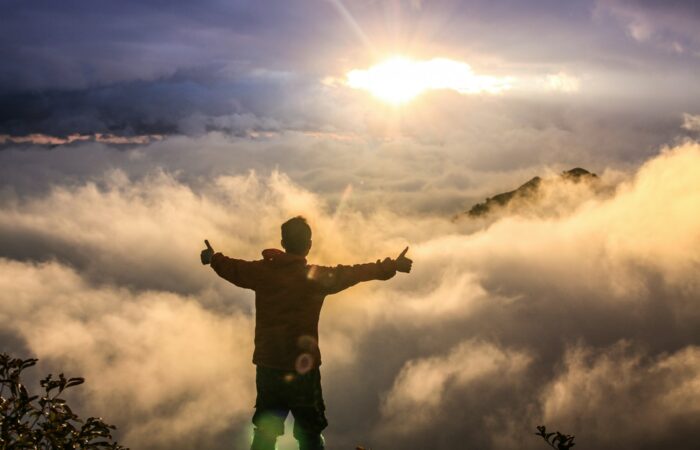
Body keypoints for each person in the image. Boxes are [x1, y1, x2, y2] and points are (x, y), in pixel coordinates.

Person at [200, 216, 412, 450]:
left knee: (266, 433)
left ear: (283, 242)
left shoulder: (262, 272)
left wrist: (213, 258)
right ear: (308, 244)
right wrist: (392, 265)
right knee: (309, 434)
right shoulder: (315, 278)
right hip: (304, 370)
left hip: (269, 366)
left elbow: (233, 268)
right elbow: (354, 272)